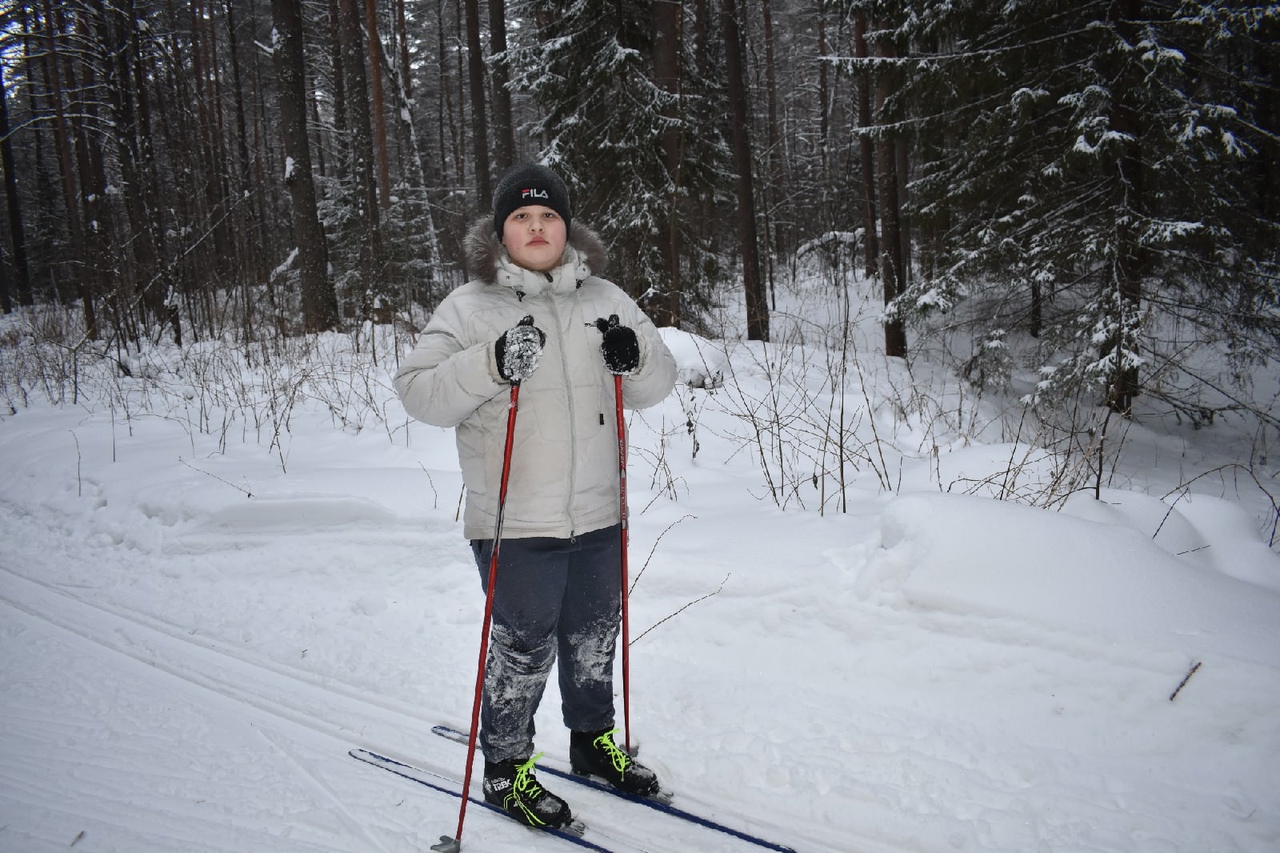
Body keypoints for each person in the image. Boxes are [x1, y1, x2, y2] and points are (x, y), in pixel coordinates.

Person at [393, 163, 678, 830]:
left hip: (600, 510)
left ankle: (592, 742)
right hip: (515, 518)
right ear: (500, 233)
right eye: (522, 218)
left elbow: (656, 381)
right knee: (524, 648)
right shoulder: (469, 307)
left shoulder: (605, 296)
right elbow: (417, 390)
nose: (537, 226)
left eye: (547, 215)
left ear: (566, 225)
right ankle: (506, 767)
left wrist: (631, 354)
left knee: (593, 636)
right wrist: (490, 362)